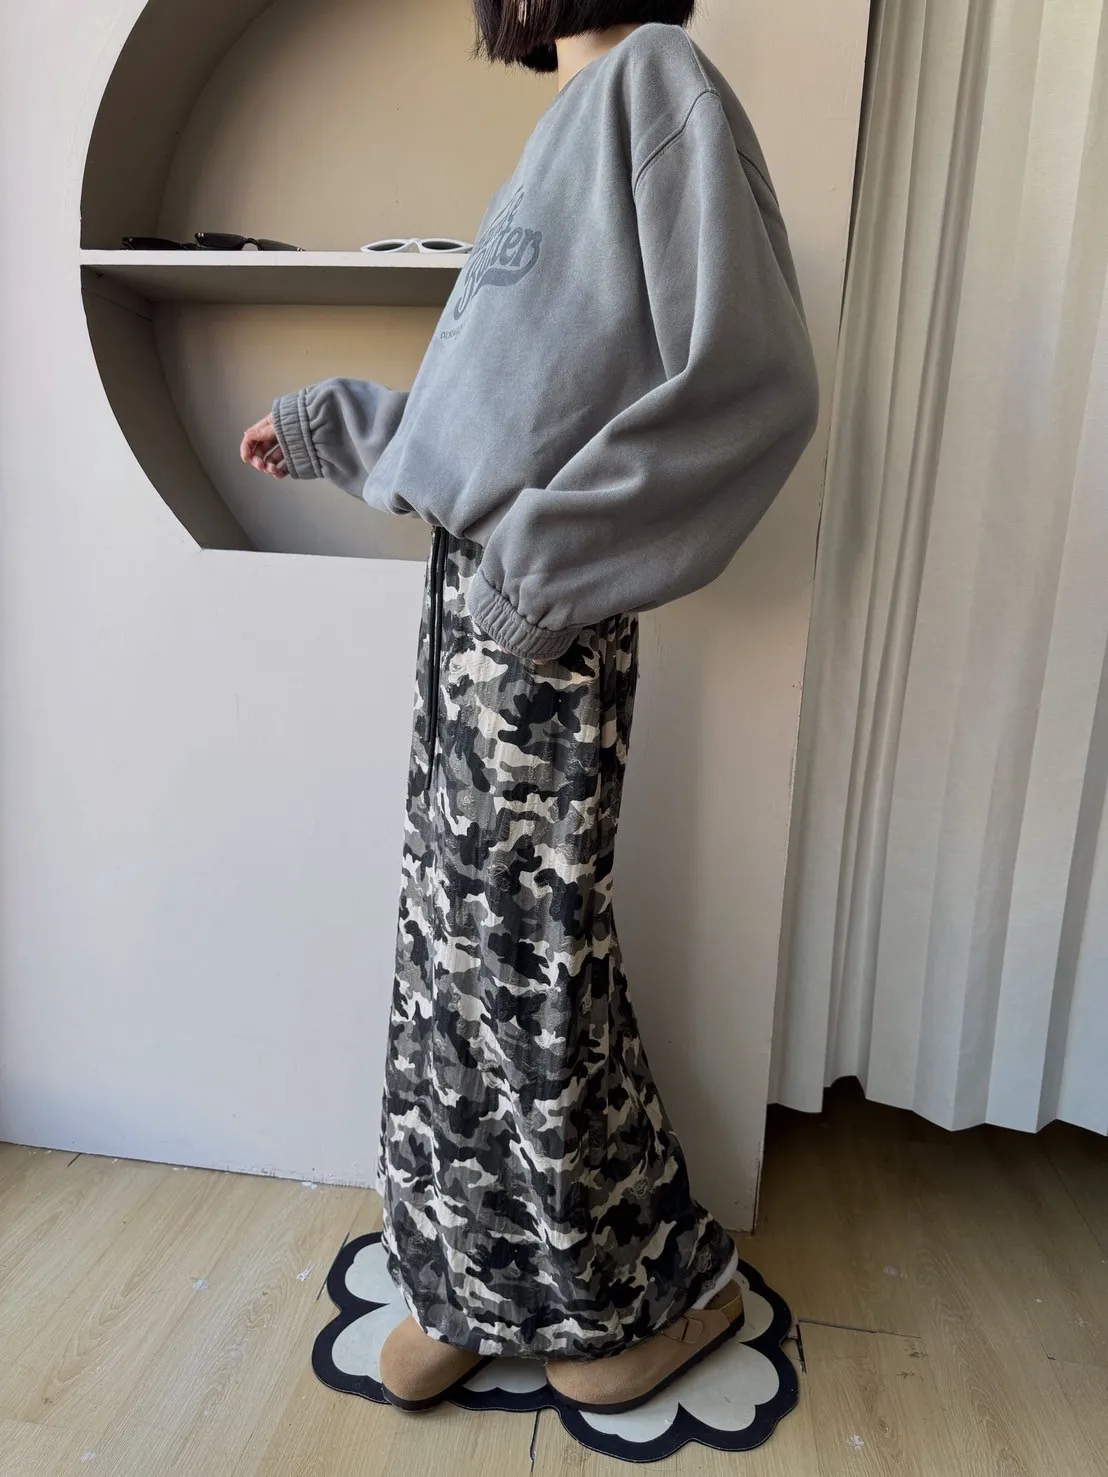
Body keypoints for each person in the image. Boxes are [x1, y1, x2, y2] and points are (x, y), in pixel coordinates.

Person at [241, 0, 819, 1416]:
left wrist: (544, 574)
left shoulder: (659, 83)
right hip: (478, 615)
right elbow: (499, 423)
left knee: (529, 975)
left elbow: (753, 385)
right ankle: (472, 1278)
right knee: (453, 968)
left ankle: (648, 1289)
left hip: (541, 625)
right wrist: (340, 427)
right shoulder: (568, 124)